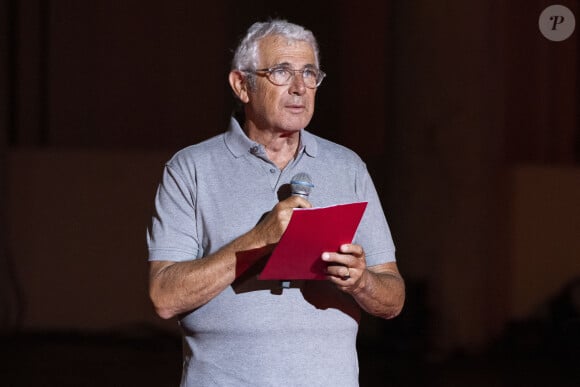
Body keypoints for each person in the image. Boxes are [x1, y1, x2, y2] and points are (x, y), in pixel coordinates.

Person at [147, 19, 405, 386]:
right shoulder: (191, 169)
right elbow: (164, 297)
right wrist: (259, 239)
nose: (300, 87)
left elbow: (394, 298)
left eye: (310, 73)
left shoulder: (348, 168)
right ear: (242, 85)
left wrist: (361, 282)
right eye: (282, 72)